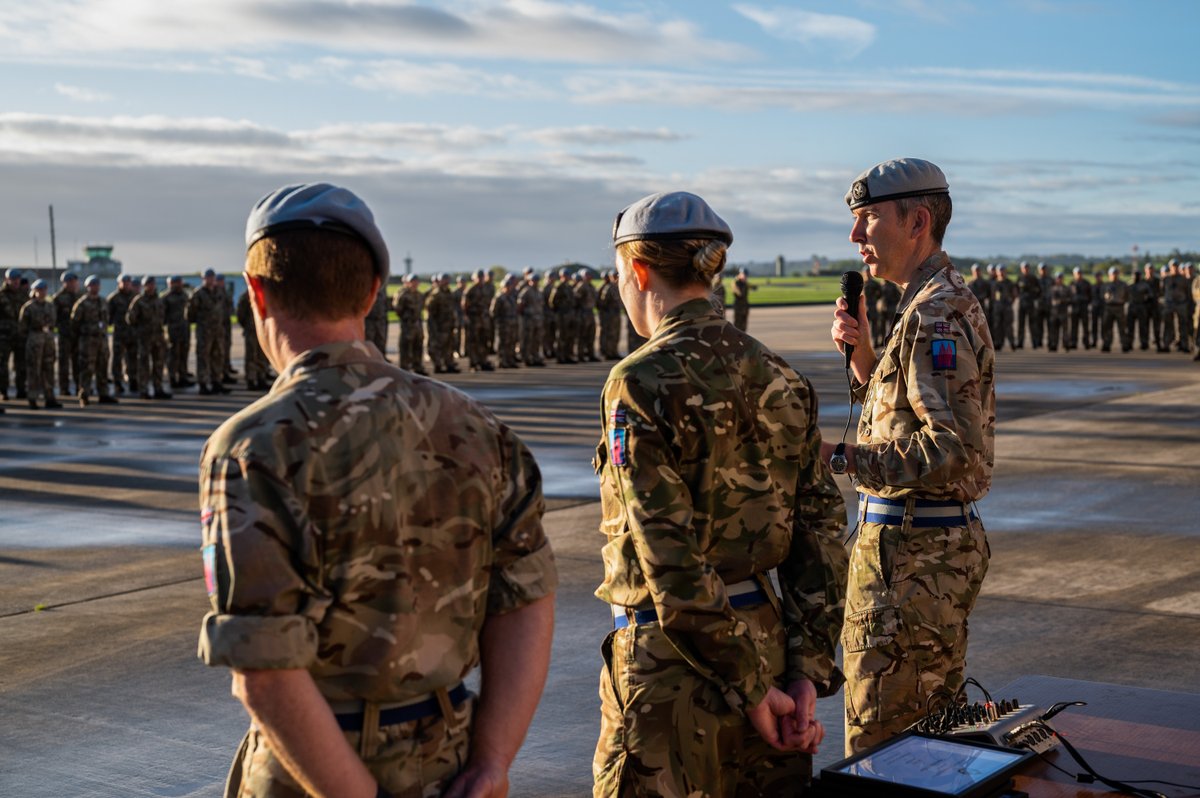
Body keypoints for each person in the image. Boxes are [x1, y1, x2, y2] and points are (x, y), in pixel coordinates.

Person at [198, 182, 557, 798]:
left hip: (311, 772)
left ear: (255, 293)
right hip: (450, 762)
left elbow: (265, 668)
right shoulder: (478, 428)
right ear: (372, 293)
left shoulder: (253, 447)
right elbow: (525, 599)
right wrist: (494, 758)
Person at [593, 191, 848, 796]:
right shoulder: (781, 374)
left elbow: (670, 559)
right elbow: (823, 535)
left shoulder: (638, 381)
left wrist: (752, 689)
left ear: (637, 270)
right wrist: (802, 674)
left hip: (673, 666)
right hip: (771, 648)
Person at [828, 158, 994, 754]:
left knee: (886, 753)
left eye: (868, 220)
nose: (855, 237)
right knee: (923, 751)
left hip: (911, 570)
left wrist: (840, 459)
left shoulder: (934, 315)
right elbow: (910, 416)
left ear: (917, 220)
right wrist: (865, 358)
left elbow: (953, 453)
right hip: (913, 562)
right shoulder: (923, 305)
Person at [71, 275, 119, 407]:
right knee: (87, 369)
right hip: (88, 341)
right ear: (88, 287)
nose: (95, 287)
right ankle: (84, 395)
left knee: (102, 368)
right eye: (92, 285)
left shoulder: (103, 302)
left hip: (102, 340)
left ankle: (103, 394)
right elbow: (75, 323)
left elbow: (106, 319)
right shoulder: (81, 303)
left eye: (97, 285)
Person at [126, 275, 172, 399]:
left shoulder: (159, 300)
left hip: (158, 337)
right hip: (144, 338)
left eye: (152, 284)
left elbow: (164, 317)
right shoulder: (139, 300)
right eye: (148, 284)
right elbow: (130, 319)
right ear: (144, 286)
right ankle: (144, 390)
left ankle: (158, 389)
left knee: (158, 364)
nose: (151, 286)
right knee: (144, 365)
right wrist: (140, 330)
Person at [19, 279, 61, 409]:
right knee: (34, 370)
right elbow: (22, 328)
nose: (42, 292)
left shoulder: (50, 306)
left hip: (48, 339)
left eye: (44, 290)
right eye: (39, 290)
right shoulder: (28, 307)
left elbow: (53, 323)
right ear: (34, 291)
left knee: (49, 369)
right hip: (34, 340)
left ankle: (50, 397)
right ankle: (32, 397)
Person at [187, 269, 231, 395]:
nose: (210, 280)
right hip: (204, 332)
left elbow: (224, 310)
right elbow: (190, 314)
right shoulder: (198, 294)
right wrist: (202, 323)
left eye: (212, 277)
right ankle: (203, 384)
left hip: (218, 331)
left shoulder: (219, 292)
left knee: (218, 356)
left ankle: (216, 382)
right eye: (208, 277)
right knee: (203, 357)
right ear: (203, 279)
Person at [108, 273, 139, 393]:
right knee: (117, 359)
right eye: (124, 282)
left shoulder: (136, 297)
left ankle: (133, 380)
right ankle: (117, 382)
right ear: (119, 283)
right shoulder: (113, 298)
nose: (126, 285)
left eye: (128, 282)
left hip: (133, 334)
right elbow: (108, 317)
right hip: (119, 334)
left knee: (133, 358)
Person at [162, 276, 195, 388]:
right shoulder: (165, 297)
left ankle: (183, 377)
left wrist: (189, 286)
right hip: (172, 331)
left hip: (184, 330)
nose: (178, 285)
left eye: (179, 283)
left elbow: (193, 296)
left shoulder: (184, 295)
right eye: (175, 283)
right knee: (173, 356)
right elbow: (161, 316)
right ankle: (172, 378)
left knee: (183, 355)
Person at [52, 272, 80, 397]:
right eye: (70, 281)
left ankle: (80, 386)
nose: (73, 284)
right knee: (64, 363)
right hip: (64, 335)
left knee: (78, 362)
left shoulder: (80, 296)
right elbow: (53, 317)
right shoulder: (58, 298)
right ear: (65, 282)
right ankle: (64, 388)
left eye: (74, 281)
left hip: (78, 335)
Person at [1100, 267, 1131, 353]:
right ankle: (1106, 344)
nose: (1114, 275)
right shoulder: (1105, 285)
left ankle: (1125, 344)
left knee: (1122, 327)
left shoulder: (1123, 284)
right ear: (1109, 275)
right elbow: (1101, 296)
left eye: (1116, 273)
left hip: (1119, 307)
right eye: (1112, 274)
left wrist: (1123, 301)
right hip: (1109, 307)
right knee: (1107, 327)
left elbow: (1128, 295)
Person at [730, 267, 755, 332]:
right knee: (737, 324)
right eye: (744, 274)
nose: (745, 276)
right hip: (738, 306)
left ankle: (743, 337)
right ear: (740, 274)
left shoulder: (745, 282)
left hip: (745, 306)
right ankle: (735, 339)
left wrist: (750, 285)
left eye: (746, 275)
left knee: (744, 324)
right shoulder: (736, 282)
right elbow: (739, 293)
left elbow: (752, 287)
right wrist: (743, 283)